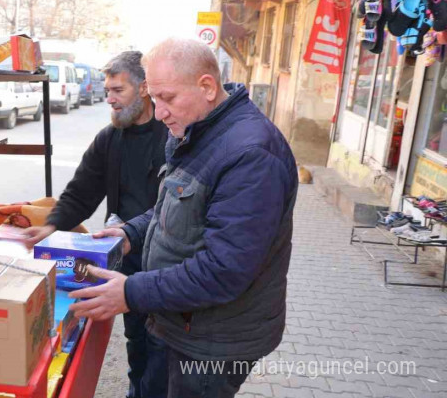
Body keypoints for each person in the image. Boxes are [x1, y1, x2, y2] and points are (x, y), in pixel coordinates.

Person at [68, 38, 298, 398]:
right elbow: (171, 205)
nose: (159, 112)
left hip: (214, 342)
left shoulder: (250, 155)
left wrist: (130, 292)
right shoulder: (201, 130)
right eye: (155, 98)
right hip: (187, 323)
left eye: (168, 98)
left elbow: (224, 271)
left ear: (206, 87)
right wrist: (131, 232)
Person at [23, 51, 170, 398]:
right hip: (125, 268)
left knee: (163, 359)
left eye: (118, 90)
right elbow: (80, 193)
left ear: (144, 88)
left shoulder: (171, 137)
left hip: (166, 268)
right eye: (107, 90)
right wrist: (51, 226)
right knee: (139, 352)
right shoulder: (110, 139)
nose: (110, 99)